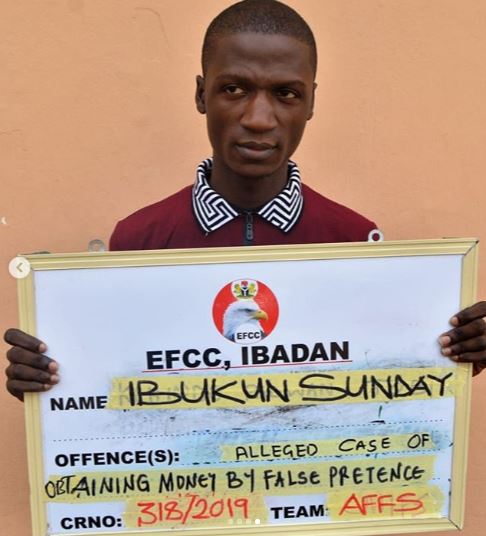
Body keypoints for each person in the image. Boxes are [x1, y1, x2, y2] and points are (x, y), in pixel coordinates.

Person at [4, 0, 486, 400]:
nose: (258, 118)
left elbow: (379, 377)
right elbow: (110, 382)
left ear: (311, 103)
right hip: (184, 486)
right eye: (234, 89)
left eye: (286, 94)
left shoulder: (353, 238)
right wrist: (50, 379)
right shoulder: (139, 239)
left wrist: (450, 353)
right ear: (201, 95)